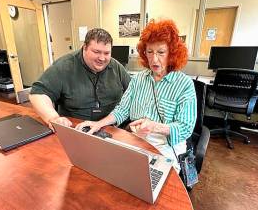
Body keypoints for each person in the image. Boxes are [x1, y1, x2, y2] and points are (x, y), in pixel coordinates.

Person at [76, 19, 197, 172]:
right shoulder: (139, 79)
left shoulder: (184, 84)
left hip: (166, 145)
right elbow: (122, 110)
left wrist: (154, 126)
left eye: (161, 52)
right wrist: (98, 124)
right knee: (110, 170)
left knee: (149, 183)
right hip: (137, 138)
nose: (154, 59)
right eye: (150, 52)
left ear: (172, 53)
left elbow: (185, 127)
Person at [29, 28, 131, 130]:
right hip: (76, 129)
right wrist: (53, 118)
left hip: (112, 128)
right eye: (96, 52)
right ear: (84, 47)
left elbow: (134, 93)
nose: (102, 58)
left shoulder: (116, 67)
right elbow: (38, 94)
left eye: (107, 53)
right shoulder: (64, 66)